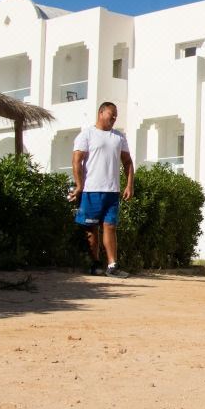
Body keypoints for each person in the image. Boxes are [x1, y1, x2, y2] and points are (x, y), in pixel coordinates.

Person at [69, 101, 135, 278]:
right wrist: (79, 185)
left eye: (116, 115)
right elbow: (76, 160)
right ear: (101, 113)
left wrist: (129, 185)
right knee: (91, 229)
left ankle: (112, 266)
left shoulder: (119, 137)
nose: (114, 118)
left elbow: (128, 162)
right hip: (92, 190)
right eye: (111, 114)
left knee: (110, 227)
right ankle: (95, 263)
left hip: (112, 191)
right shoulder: (87, 134)